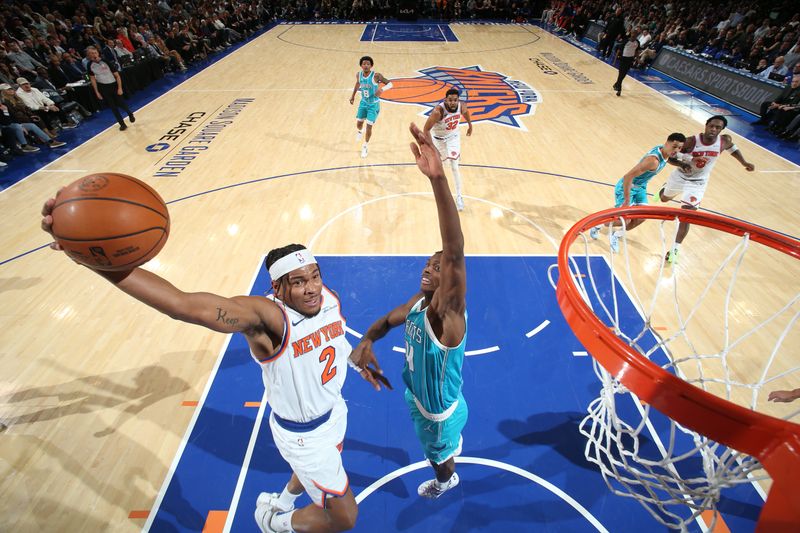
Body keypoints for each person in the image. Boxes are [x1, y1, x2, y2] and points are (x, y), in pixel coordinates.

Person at [39, 208, 389, 532]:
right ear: (277, 289)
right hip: (302, 435)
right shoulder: (266, 319)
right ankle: (275, 522)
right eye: (298, 282)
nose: (311, 287)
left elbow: (333, 339)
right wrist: (90, 259)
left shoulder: (326, 298)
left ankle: (282, 500)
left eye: (314, 275)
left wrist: (355, 362)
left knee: (321, 467)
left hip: (334, 413)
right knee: (343, 517)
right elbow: (183, 305)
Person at [351, 123, 468, 499]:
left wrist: (437, 180)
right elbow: (386, 321)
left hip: (438, 414)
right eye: (427, 263)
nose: (428, 268)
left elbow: (453, 249)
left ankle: (446, 478)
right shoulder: (417, 305)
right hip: (418, 396)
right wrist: (368, 339)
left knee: (437, 457)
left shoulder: (445, 314)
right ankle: (446, 454)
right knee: (430, 435)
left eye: (436, 268)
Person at [658, 116, 754, 264]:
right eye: (712, 126)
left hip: (698, 181)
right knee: (664, 198)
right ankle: (665, 190)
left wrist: (744, 162)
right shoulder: (690, 141)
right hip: (681, 176)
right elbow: (669, 156)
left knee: (687, 215)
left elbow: (732, 149)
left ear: (722, 130)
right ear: (706, 125)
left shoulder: (724, 141)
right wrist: (682, 164)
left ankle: (675, 250)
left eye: (718, 128)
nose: (714, 130)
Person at [590, 133, 687, 252]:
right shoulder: (653, 161)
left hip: (640, 187)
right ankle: (597, 226)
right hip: (627, 186)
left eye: (679, 148)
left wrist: (681, 164)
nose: (676, 150)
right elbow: (627, 177)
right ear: (666, 143)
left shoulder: (664, 151)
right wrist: (626, 200)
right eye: (674, 146)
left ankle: (615, 235)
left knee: (642, 217)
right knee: (624, 220)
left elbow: (670, 159)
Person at [423, 88, 473, 211]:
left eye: (455, 100)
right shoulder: (437, 112)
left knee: (454, 166)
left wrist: (470, 125)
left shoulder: (462, 106)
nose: (453, 103)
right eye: (450, 100)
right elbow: (425, 129)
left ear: (458, 100)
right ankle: (451, 157)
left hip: (453, 137)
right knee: (442, 167)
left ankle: (459, 197)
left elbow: (466, 113)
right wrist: (431, 146)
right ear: (445, 100)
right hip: (438, 140)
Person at [348, 56, 392, 158]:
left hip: (373, 104)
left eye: (368, 64)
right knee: (359, 124)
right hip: (363, 103)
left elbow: (390, 84)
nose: (366, 65)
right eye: (364, 64)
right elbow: (357, 84)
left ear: (371, 65)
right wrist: (353, 96)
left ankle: (365, 146)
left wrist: (382, 89)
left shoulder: (376, 76)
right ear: (361, 65)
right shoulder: (358, 75)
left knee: (369, 126)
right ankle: (360, 131)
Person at [85, 46, 135, 131]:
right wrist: (97, 92)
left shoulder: (105, 61)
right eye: (91, 54)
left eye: (95, 53)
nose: (93, 55)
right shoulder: (90, 65)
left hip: (113, 85)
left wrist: (119, 88)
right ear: (88, 55)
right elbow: (92, 79)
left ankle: (129, 113)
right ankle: (122, 124)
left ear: (98, 53)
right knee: (113, 107)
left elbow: (117, 75)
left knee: (121, 103)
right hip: (103, 87)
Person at [614, 28, 640, 96]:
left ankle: (616, 84)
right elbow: (619, 50)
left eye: (635, 33)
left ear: (637, 35)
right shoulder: (625, 41)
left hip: (630, 59)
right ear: (630, 33)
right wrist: (615, 60)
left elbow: (637, 51)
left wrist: (638, 59)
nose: (633, 34)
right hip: (623, 59)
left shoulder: (637, 42)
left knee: (624, 75)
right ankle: (619, 89)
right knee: (620, 74)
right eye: (632, 33)